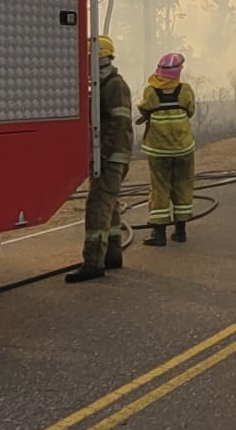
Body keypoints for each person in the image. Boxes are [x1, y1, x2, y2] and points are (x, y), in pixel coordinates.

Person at [67, 35, 134, 283]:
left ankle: (93, 262)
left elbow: (119, 123)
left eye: (86, 57)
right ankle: (112, 254)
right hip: (108, 154)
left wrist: (103, 152)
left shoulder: (115, 86)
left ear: (99, 57)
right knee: (109, 204)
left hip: (111, 155)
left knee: (97, 206)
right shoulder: (100, 84)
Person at [136, 52, 197, 246]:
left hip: (158, 151)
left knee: (160, 188)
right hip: (183, 149)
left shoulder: (150, 92)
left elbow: (143, 107)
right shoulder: (185, 90)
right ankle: (181, 231)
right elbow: (191, 111)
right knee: (183, 185)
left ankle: (159, 233)